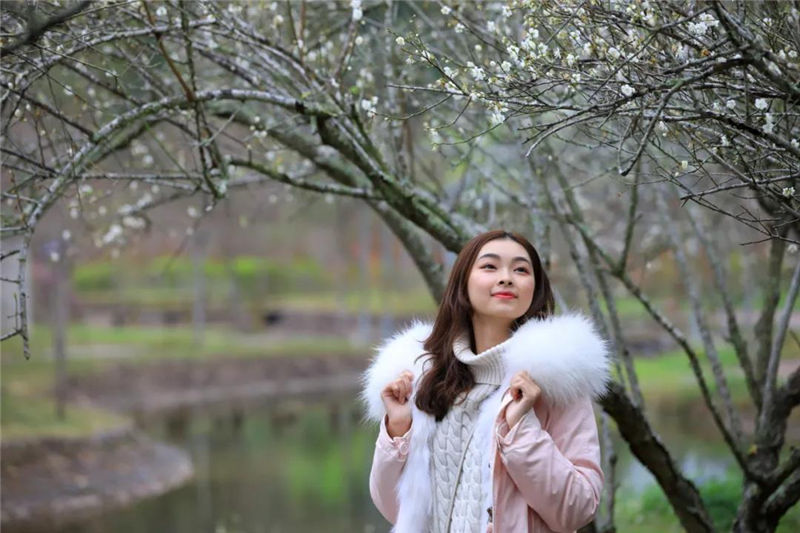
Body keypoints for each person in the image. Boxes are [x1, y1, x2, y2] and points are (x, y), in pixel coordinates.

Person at [360, 230, 611, 533]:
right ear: (463, 283)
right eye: (490, 266)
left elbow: (578, 509)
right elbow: (393, 508)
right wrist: (398, 428)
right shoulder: (425, 381)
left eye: (521, 270)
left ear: (535, 287)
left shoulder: (556, 380)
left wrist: (521, 432)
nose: (506, 278)